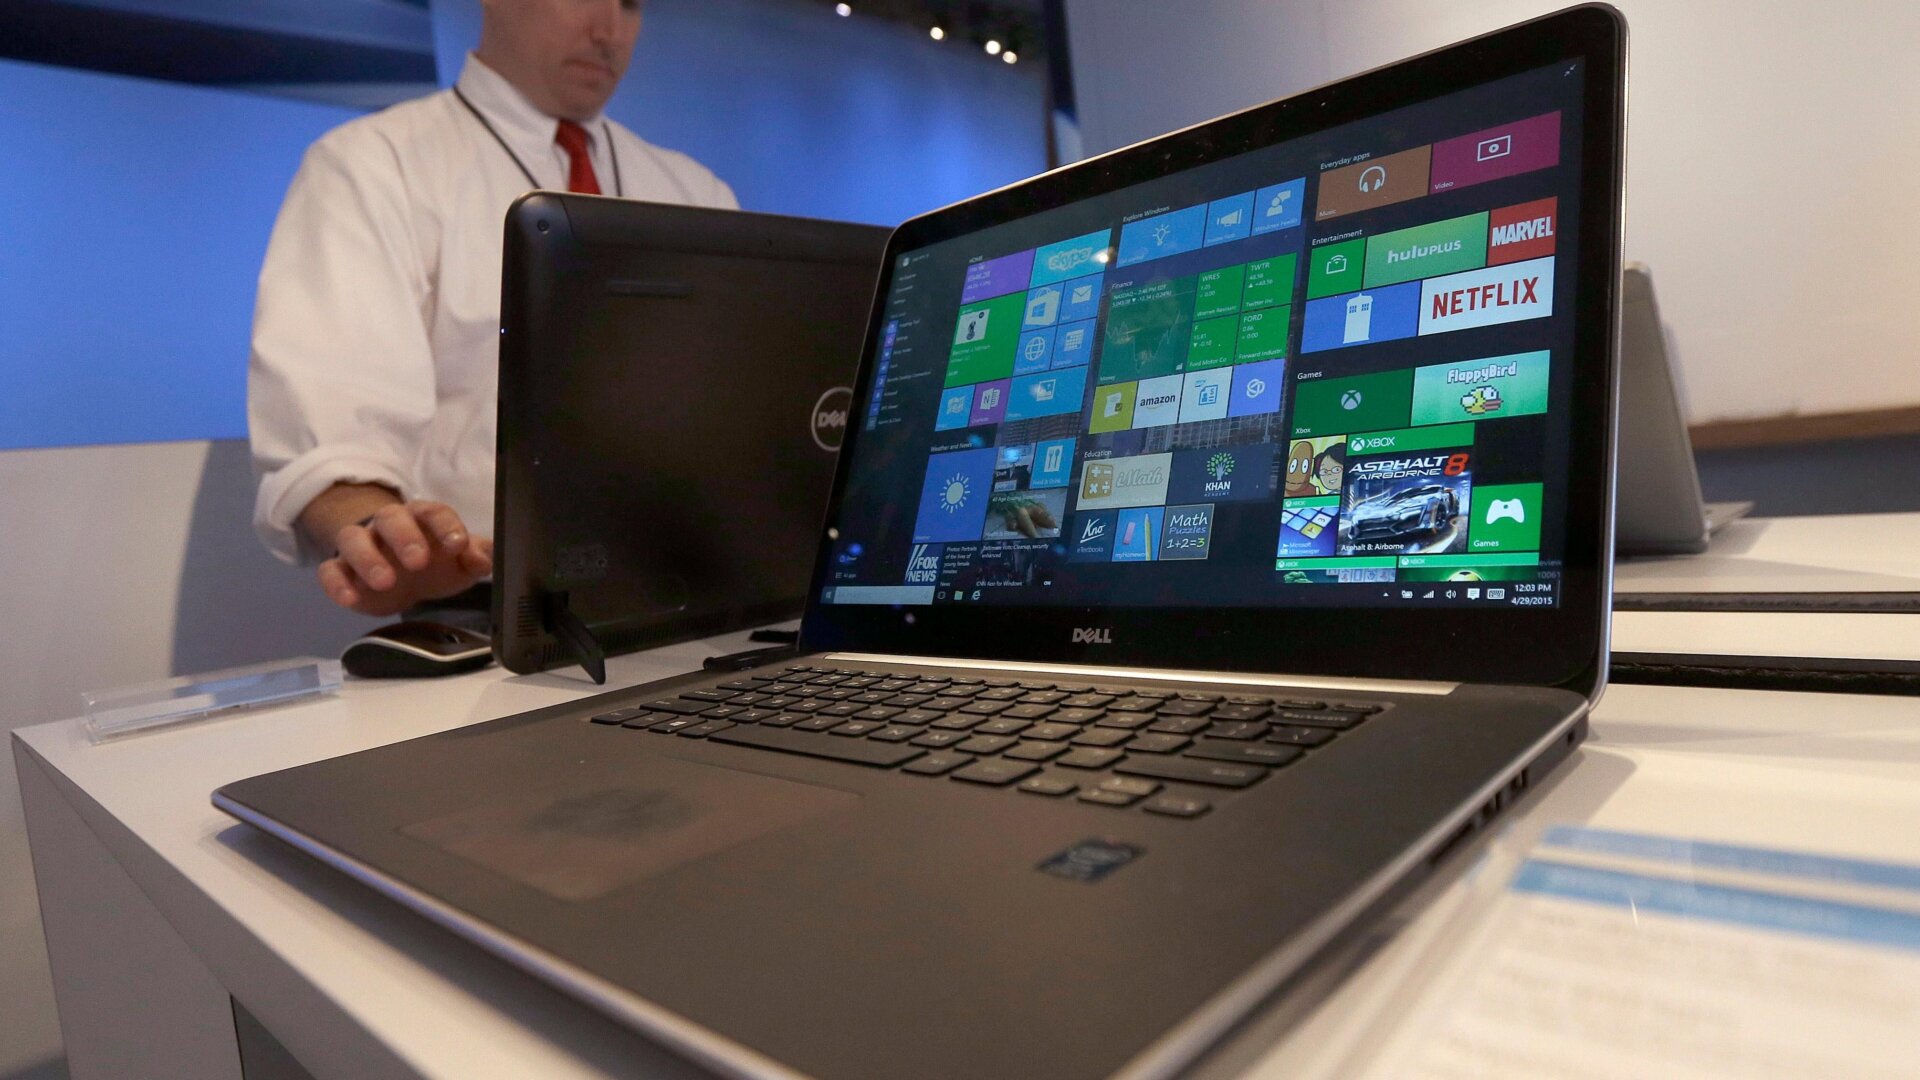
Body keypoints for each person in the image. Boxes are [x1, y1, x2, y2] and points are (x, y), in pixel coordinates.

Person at [249, 0, 736, 617]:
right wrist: (386, 541)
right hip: (485, 606)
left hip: (694, 600)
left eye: (631, 4)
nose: (608, 30)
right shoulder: (375, 165)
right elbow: (335, 430)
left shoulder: (696, 193)